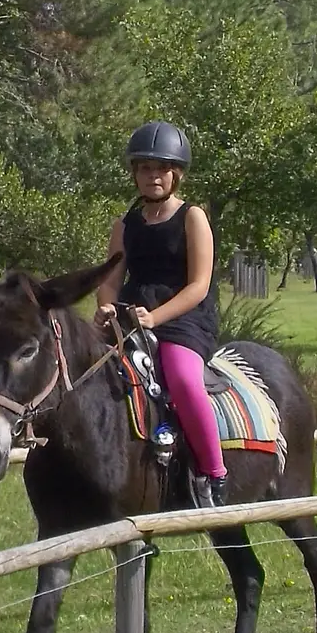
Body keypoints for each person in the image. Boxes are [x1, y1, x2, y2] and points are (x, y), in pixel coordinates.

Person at [94, 122, 228, 508]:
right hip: (132, 313)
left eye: (161, 168)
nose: (153, 176)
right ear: (135, 173)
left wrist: (156, 318)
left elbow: (198, 285)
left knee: (184, 379)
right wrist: (105, 306)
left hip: (184, 318)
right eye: (145, 168)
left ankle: (214, 473)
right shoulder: (125, 225)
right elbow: (111, 278)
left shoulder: (192, 218)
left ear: (176, 174)